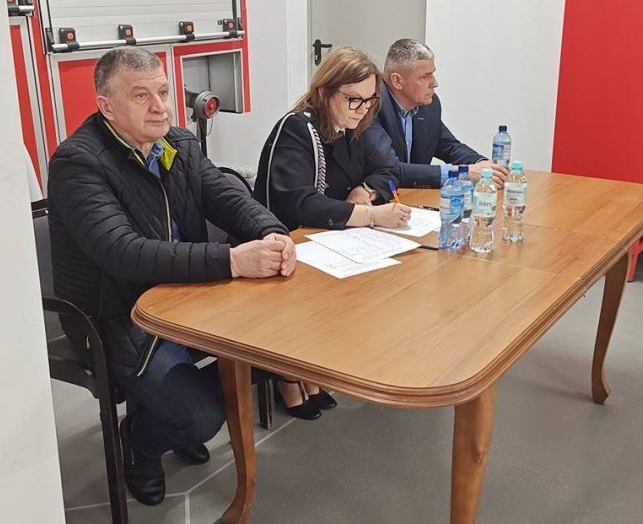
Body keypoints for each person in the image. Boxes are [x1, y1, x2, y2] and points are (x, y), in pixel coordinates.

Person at [47, 47, 296, 506]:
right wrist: (233, 261)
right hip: (117, 316)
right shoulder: (78, 164)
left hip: (188, 296)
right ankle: (140, 442)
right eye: (141, 95)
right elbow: (124, 254)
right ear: (106, 106)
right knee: (200, 419)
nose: (160, 106)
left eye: (163, 91)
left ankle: (168, 416)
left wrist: (272, 232)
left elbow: (227, 198)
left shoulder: (178, 144)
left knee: (287, 349)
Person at [254, 47, 410, 417]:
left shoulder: (353, 126)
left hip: (324, 240)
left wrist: (366, 190)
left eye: (370, 100)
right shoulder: (297, 128)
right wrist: (370, 215)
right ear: (325, 92)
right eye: (354, 99)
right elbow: (301, 205)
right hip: (282, 243)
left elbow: (388, 169)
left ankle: (307, 363)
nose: (363, 109)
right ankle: (286, 372)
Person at [367, 38, 506, 188]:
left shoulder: (429, 105)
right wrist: (461, 172)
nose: (434, 83)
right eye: (425, 77)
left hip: (411, 196)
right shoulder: (370, 105)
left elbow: (449, 146)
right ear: (397, 81)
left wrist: (484, 166)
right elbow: (390, 168)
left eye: (432, 74)